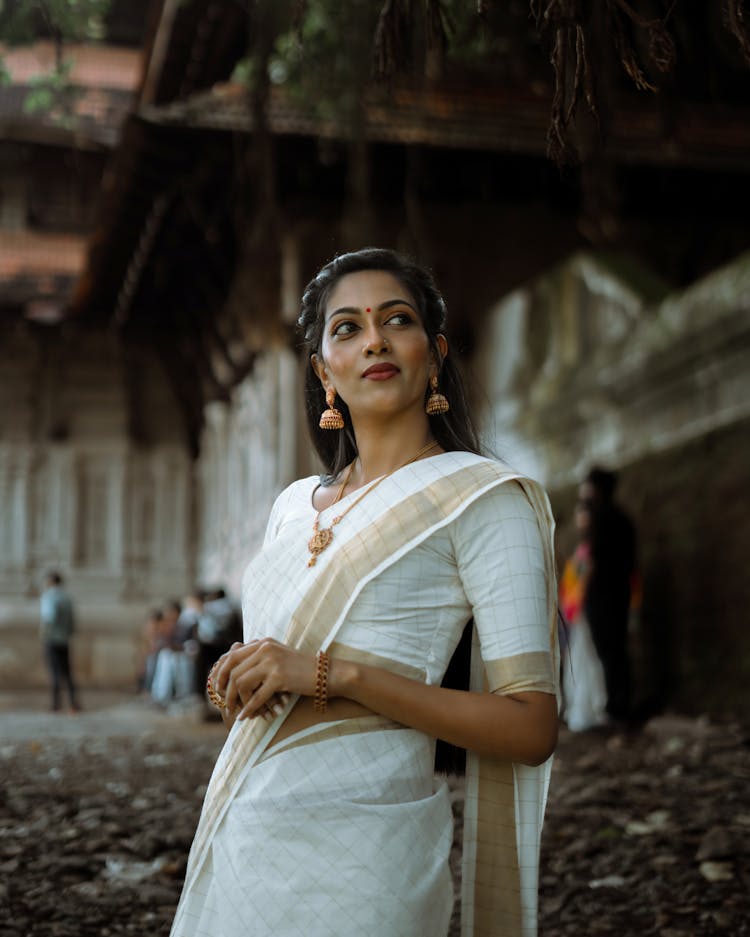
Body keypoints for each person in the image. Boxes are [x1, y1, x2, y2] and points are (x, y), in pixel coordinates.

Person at [170, 248, 560, 937]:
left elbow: (530, 726)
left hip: (366, 852)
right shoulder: (293, 506)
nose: (374, 339)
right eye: (346, 328)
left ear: (434, 355)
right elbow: (278, 669)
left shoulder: (483, 499)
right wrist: (243, 675)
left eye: (396, 320)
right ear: (324, 371)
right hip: (249, 828)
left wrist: (333, 674)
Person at [580, 467, 636, 723]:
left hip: (602, 596)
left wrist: (581, 589)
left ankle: (615, 707)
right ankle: (620, 703)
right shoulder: (625, 519)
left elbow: (592, 562)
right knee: (618, 649)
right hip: (621, 593)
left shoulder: (599, 519)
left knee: (606, 649)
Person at [559, 502, 608, 731]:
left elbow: (582, 581)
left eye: (582, 513)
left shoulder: (592, 550)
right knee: (579, 662)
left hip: (583, 611)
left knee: (586, 660)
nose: (578, 518)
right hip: (576, 612)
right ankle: (583, 708)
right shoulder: (583, 549)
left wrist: (575, 607)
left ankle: (592, 708)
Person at [40, 571, 79, 713]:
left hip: (52, 639)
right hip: (65, 639)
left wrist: (45, 634)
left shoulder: (49, 597)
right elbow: (73, 621)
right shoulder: (67, 598)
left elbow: (48, 618)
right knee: (68, 673)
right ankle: (74, 703)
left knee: (55, 672)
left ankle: (56, 704)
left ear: (50, 582)